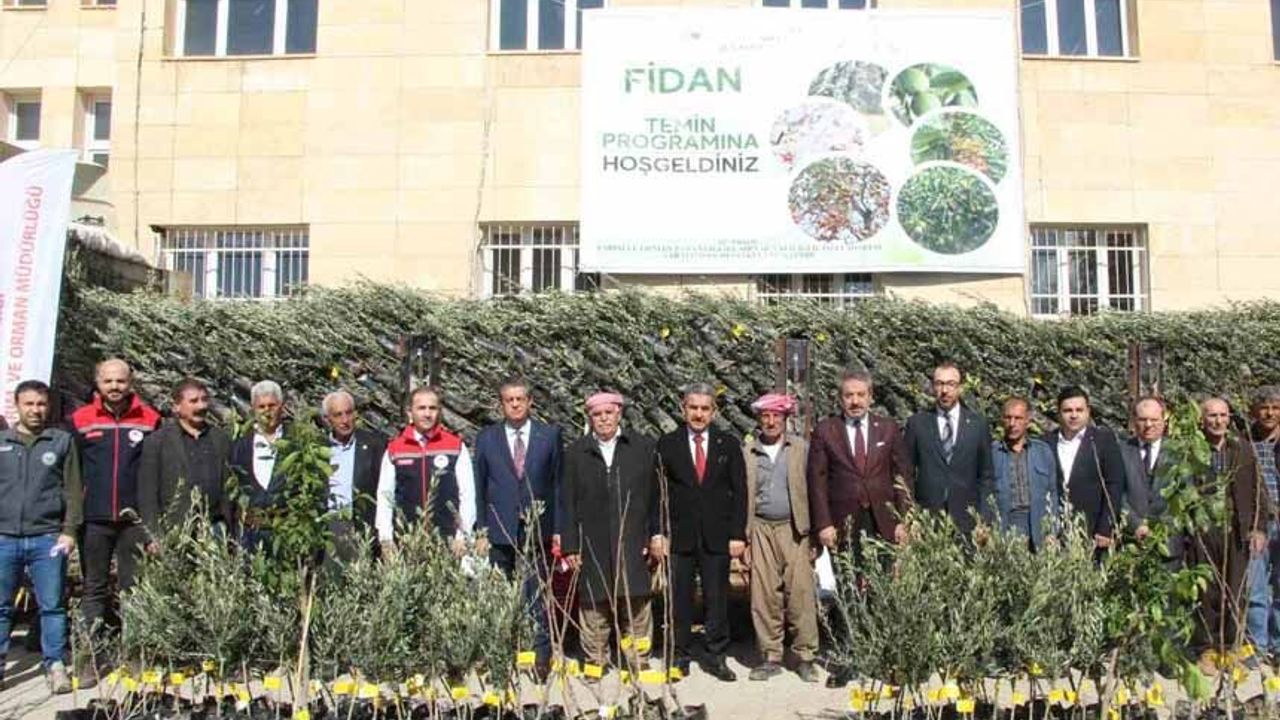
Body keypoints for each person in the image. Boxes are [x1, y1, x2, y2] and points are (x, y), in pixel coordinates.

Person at [806, 368, 910, 688]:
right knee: (847, 590)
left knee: (881, 589)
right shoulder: (826, 430)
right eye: (848, 395)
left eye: (860, 395)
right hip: (843, 523)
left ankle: (880, 656)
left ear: (871, 397)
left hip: (882, 520)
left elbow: (902, 475)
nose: (855, 401)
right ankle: (849, 658)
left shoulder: (888, 428)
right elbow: (817, 481)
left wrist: (905, 518)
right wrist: (823, 523)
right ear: (840, 398)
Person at [561, 392, 660, 675]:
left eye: (609, 413)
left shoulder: (642, 447)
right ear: (590, 418)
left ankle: (638, 659)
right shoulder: (576, 453)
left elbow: (655, 497)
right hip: (592, 540)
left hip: (632, 537)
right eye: (597, 414)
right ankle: (596, 661)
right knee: (594, 604)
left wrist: (655, 535)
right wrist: (571, 546)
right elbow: (567, 502)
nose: (603, 419)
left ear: (619, 414)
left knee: (636, 602)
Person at [656, 383, 747, 682]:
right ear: (683, 409)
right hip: (678, 535)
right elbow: (656, 493)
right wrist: (658, 532)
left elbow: (740, 492)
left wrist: (737, 534)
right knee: (679, 600)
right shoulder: (667, 444)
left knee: (716, 599)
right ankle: (679, 655)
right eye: (693, 407)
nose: (698, 414)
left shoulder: (728, 444)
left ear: (714, 412)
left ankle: (716, 656)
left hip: (717, 535)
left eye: (704, 408)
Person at [472, 377, 562, 675]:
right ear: (501, 404)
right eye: (509, 400)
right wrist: (481, 530)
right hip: (499, 528)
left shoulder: (549, 436)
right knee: (501, 595)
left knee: (537, 594)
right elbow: (479, 486)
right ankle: (502, 652)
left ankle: (541, 656)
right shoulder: (487, 438)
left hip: (537, 528)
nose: (514, 404)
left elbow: (558, 485)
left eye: (519, 399)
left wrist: (558, 529)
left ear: (530, 402)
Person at [0, 380, 83, 693]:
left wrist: (69, 530)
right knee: (1, 607)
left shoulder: (60, 442)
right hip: (4, 538)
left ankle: (55, 665)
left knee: (52, 606)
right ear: (17, 406)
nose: (35, 410)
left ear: (48, 407)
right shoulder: (3, 441)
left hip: (47, 538)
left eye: (41, 404)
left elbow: (73, 489)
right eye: (29, 404)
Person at [70, 359, 161, 635]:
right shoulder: (80, 419)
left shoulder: (150, 419)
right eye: (108, 381)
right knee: (94, 586)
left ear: (130, 383)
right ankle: (90, 650)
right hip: (94, 519)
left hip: (133, 520)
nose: (114, 386)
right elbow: (72, 471)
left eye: (120, 381)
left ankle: (133, 648)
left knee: (133, 587)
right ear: (98, 383)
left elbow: (156, 471)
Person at [742, 393, 819, 683]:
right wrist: (744, 537)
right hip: (760, 528)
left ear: (785, 419)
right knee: (763, 596)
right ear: (759, 419)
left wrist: (813, 535)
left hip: (795, 529)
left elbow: (814, 489)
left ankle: (805, 656)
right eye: (766, 416)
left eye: (777, 416)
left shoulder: (801, 449)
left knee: (800, 594)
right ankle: (770, 656)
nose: (771, 421)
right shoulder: (748, 452)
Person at [1189, 397, 1269, 675]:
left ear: (1229, 418)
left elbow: (1259, 491)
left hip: (1237, 530)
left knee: (1235, 591)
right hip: (1203, 529)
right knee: (1207, 591)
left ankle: (1232, 647)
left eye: (1222, 415)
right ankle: (1207, 648)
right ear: (1202, 419)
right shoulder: (1192, 448)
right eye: (1212, 415)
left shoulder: (1242, 449)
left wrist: (1259, 527)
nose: (1218, 420)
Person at [375, 386, 477, 557]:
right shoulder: (395, 449)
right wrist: (386, 538)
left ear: (439, 412)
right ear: (410, 412)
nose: (427, 414)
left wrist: (463, 535)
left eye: (432, 408)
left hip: (448, 539)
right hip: (406, 540)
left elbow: (467, 494)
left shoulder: (455, 446)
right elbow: (385, 496)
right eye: (421, 408)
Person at [903, 361, 995, 536]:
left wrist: (984, 518)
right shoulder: (917, 424)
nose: (944, 390)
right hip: (927, 520)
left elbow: (986, 476)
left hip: (968, 521)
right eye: (939, 384)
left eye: (951, 384)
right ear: (933, 387)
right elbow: (906, 473)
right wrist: (910, 515)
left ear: (960, 388)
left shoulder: (978, 425)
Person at [138, 378, 233, 539]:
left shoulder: (221, 439)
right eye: (194, 401)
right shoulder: (157, 442)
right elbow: (147, 494)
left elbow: (228, 485)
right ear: (176, 406)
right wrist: (153, 535)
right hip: (175, 529)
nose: (201, 406)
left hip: (216, 527)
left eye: (204, 399)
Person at [1043, 386, 1126, 549]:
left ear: (1088, 411)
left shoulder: (1103, 441)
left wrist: (1106, 527)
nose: (1074, 415)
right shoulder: (1045, 442)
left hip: (1092, 532)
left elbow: (1114, 485)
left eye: (1079, 410)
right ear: (1058, 414)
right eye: (1067, 410)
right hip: (1054, 535)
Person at [321, 389, 386, 561]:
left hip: (363, 528)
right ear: (327, 419)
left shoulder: (374, 445)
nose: (345, 420)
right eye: (338, 415)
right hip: (330, 529)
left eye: (349, 413)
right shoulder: (319, 449)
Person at [990, 397, 1058, 550]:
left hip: (1038, 526)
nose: (1012, 423)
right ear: (1002, 420)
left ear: (1028, 421)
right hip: (1005, 527)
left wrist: (1052, 530)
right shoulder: (991, 453)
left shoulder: (1043, 451)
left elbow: (1052, 493)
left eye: (1018, 418)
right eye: (1008, 418)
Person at [229, 380, 289, 549]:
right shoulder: (239, 446)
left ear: (281, 407)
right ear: (253, 409)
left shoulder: (296, 443)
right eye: (261, 407)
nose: (267, 411)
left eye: (272, 406)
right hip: (249, 536)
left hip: (287, 533)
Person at [1246, 387, 1280, 662]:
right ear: (1254, 411)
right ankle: (1256, 646)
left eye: (1275, 407)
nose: (1269, 413)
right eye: (1264, 407)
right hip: (1258, 523)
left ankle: (1278, 645)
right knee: (1255, 587)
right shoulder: (1245, 442)